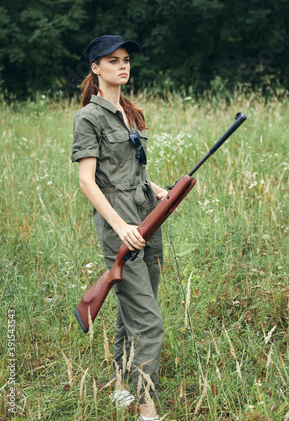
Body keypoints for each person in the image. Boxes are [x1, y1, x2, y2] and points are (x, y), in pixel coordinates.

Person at [71, 35, 167, 420]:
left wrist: (160, 190)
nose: (122, 66)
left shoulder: (131, 112)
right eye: (112, 60)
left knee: (135, 309)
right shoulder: (88, 117)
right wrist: (120, 225)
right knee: (150, 322)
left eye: (126, 59)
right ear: (96, 68)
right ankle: (146, 409)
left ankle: (120, 386)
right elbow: (88, 181)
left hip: (147, 217)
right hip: (120, 226)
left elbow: (134, 172)